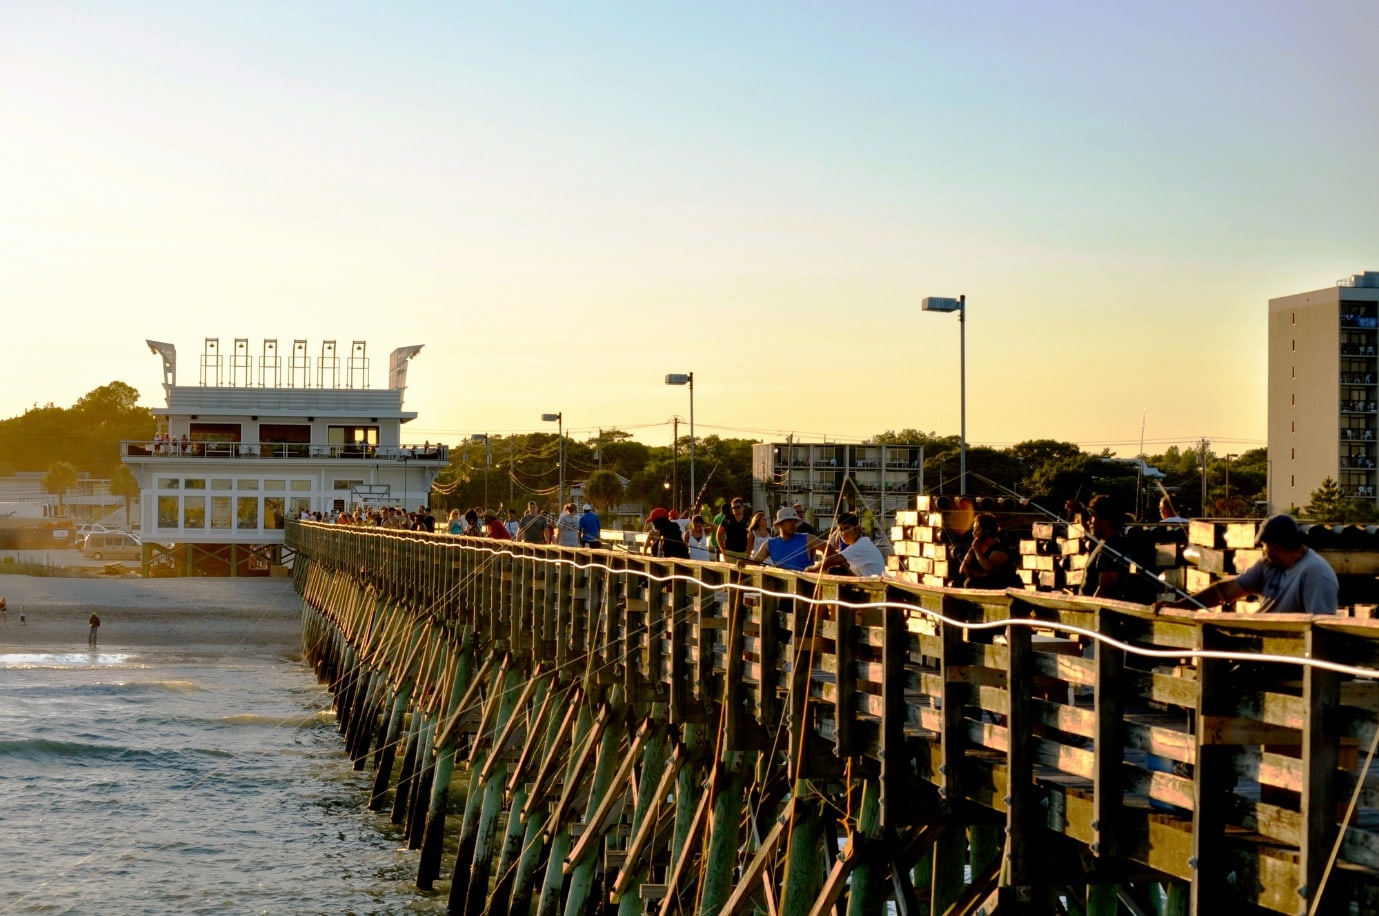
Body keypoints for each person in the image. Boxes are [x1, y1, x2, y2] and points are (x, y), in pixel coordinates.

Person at [1156, 514, 1339, 614]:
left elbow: (1319, 625)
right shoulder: (1267, 566)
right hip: (1261, 646)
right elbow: (1225, 591)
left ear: (1274, 547)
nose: (1263, 551)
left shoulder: (1315, 573)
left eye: (1264, 546)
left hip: (1291, 655)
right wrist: (1179, 606)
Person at [1080, 496, 1133, 600]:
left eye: (1092, 517)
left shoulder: (1113, 547)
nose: (1089, 522)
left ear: (1105, 520)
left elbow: (1104, 592)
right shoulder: (1104, 544)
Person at [752, 507, 829, 571]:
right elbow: (753, 562)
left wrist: (819, 566)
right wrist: (743, 563)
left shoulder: (808, 538)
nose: (793, 524)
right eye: (788, 520)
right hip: (780, 586)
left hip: (806, 586)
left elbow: (830, 550)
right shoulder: (770, 544)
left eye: (795, 521)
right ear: (780, 524)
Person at [810, 512, 886, 577]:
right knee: (835, 568)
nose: (843, 533)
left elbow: (833, 560)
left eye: (847, 528)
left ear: (857, 529)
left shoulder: (862, 544)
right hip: (866, 583)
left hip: (873, 587)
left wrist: (810, 569)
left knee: (833, 569)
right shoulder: (861, 542)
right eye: (840, 530)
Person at [959, 514, 1020, 589]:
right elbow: (962, 569)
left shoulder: (999, 549)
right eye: (973, 529)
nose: (973, 533)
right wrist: (980, 575)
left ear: (986, 531)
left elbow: (987, 567)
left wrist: (977, 551)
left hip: (1002, 588)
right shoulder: (976, 546)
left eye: (977, 529)